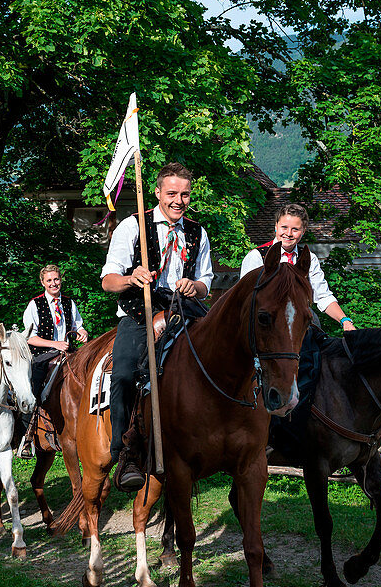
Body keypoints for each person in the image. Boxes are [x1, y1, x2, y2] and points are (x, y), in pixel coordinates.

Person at [100, 162, 213, 492]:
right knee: (123, 373)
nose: (179, 200)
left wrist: (196, 287)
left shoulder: (197, 232)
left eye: (185, 194)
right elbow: (108, 280)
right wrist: (130, 277)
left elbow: (206, 280)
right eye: (172, 193)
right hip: (140, 312)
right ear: (158, 193)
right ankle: (126, 452)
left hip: (185, 311)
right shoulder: (131, 226)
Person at [238, 203, 357, 332]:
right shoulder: (258, 256)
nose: (288, 233)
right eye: (284, 227)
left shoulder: (309, 259)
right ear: (276, 227)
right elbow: (246, 298)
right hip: (266, 326)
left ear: (303, 231)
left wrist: (344, 320)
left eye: (295, 229)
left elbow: (323, 296)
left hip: (300, 326)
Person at [22, 264, 89, 399]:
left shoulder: (69, 302)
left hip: (68, 352)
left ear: (60, 280)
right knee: (34, 389)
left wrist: (83, 333)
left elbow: (78, 327)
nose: (53, 283)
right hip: (42, 355)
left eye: (56, 279)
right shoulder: (35, 304)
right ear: (43, 283)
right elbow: (29, 338)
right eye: (49, 280)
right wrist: (55, 344)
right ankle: (29, 415)